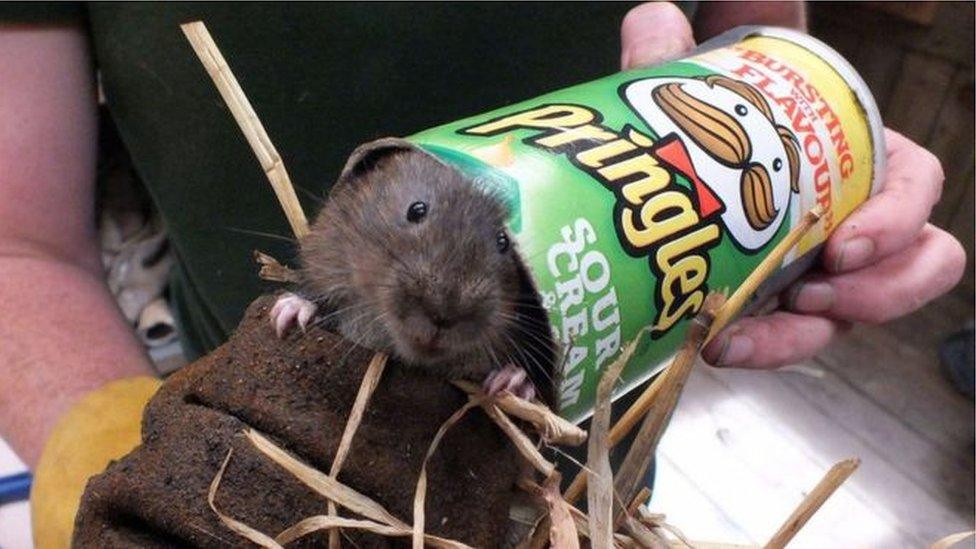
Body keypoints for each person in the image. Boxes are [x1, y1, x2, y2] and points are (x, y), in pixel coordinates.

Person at [0, 2, 964, 473]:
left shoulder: (486, 299)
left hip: (569, 468)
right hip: (237, 447)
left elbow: (755, 50)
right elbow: (19, 247)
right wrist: (115, 462)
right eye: (415, 220)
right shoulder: (347, 245)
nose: (440, 297)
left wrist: (821, 174)